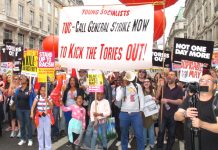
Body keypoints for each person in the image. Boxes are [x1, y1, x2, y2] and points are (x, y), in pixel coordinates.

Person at [174, 74, 218, 150]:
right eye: (202, 80)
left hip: (210, 146)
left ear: (214, 86)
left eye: (209, 80)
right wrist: (185, 114)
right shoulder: (190, 98)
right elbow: (176, 116)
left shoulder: (216, 102)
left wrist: (201, 124)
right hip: (190, 146)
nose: (204, 83)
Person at [116, 71, 145, 150]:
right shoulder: (120, 88)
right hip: (124, 113)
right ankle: (124, 148)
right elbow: (118, 98)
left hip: (136, 113)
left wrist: (141, 110)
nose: (126, 79)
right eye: (124, 78)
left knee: (139, 134)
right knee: (124, 134)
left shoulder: (137, 85)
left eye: (127, 77)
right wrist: (122, 87)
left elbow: (141, 97)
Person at [156, 71, 183, 150]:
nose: (169, 76)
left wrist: (168, 100)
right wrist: (159, 86)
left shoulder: (179, 88)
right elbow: (157, 96)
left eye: (172, 75)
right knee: (161, 133)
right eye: (168, 75)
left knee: (171, 134)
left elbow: (180, 101)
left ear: (175, 78)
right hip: (162, 114)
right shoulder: (163, 87)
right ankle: (159, 148)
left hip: (173, 116)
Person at [30, 84, 54, 150]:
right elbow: (33, 106)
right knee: (40, 133)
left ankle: (48, 148)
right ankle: (41, 148)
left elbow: (52, 107)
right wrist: (32, 113)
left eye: (44, 91)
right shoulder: (37, 97)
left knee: (47, 133)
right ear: (39, 91)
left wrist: (48, 101)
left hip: (47, 117)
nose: (43, 92)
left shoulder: (49, 97)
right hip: (39, 117)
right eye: (42, 90)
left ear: (47, 91)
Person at [15, 75, 33, 146]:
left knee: (28, 125)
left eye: (23, 78)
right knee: (22, 125)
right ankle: (23, 139)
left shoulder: (30, 89)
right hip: (19, 109)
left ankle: (30, 139)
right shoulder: (18, 89)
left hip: (27, 110)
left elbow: (33, 98)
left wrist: (31, 92)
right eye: (20, 78)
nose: (21, 79)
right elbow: (15, 98)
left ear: (27, 81)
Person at [142, 78, 156, 149]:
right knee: (143, 129)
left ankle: (151, 143)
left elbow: (157, 101)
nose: (146, 83)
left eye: (148, 82)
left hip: (151, 113)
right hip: (143, 113)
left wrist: (155, 99)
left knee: (151, 129)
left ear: (150, 83)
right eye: (145, 82)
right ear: (143, 84)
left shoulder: (153, 91)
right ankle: (144, 143)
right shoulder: (141, 91)